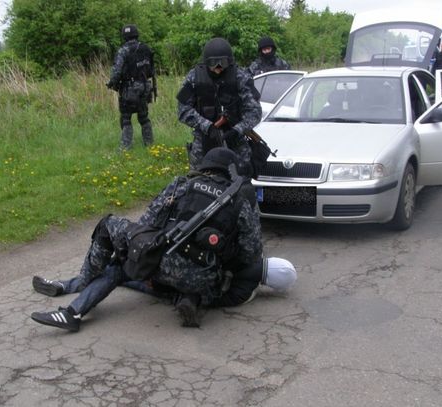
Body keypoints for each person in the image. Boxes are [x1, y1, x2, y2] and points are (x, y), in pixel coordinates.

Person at [31, 148, 296, 330]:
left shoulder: (182, 184)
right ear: (230, 173)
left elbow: (148, 221)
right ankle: (186, 299)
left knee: (114, 248)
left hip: (159, 265)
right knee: (147, 274)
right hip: (203, 280)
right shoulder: (240, 203)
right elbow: (250, 253)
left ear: (205, 166)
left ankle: (74, 305)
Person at [176, 37, 262, 170]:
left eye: (222, 64)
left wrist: (237, 130)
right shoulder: (194, 77)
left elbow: (254, 112)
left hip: (236, 139)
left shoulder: (241, 77)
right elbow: (182, 110)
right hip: (204, 139)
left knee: (241, 179)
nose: (218, 69)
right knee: (198, 179)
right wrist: (208, 127)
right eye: (213, 65)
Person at [106, 24, 156, 150]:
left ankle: (125, 148)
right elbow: (151, 70)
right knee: (144, 117)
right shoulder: (145, 48)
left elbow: (117, 71)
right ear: (136, 34)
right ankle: (150, 145)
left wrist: (112, 83)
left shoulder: (123, 50)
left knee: (126, 118)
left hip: (130, 89)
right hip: (145, 87)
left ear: (124, 36)